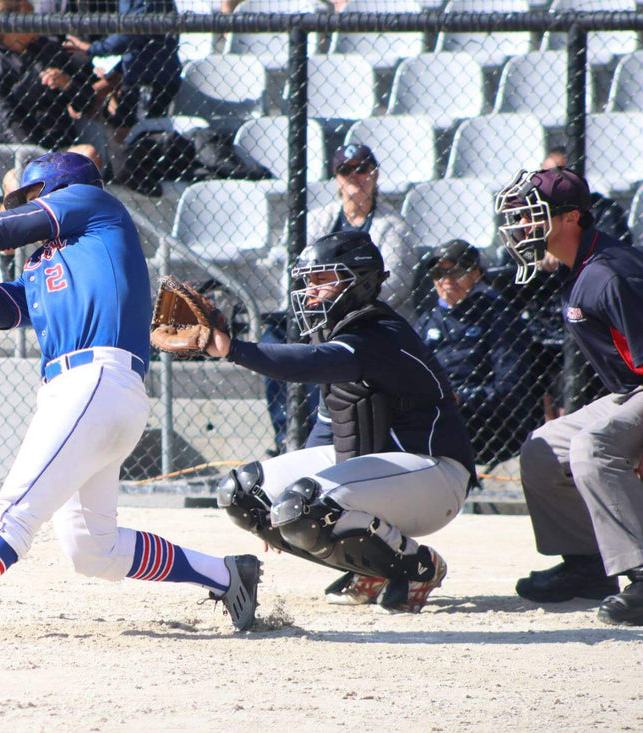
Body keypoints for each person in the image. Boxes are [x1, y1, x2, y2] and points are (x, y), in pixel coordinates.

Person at [0, 152, 261, 640]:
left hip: (94, 384)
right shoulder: (47, 268)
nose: (20, 211)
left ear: (55, 189)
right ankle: (228, 575)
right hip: (95, 397)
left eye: (27, 199)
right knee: (94, 549)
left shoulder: (91, 203)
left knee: (12, 516)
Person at [205, 229, 476, 613]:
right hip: (378, 474)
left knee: (308, 502)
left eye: (322, 280)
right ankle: (376, 568)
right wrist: (277, 512)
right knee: (245, 494)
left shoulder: (381, 333)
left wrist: (234, 349)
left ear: (360, 281)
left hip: (432, 475)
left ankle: (418, 566)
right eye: (308, 281)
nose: (311, 291)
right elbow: (327, 433)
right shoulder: (341, 335)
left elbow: (311, 363)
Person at [495, 166, 643, 626]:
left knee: (592, 446)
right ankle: (587, 567)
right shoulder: (579, 266)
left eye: (532, 215)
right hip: (631, 390)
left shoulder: (610, 274)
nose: (521, 227)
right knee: (545, 447)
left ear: (570, 219)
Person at [414, 239, 541, 467]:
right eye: (438, 272)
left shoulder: (498, 316)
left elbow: (510, 386)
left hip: (484, 422)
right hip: (435, 413)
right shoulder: (426, 322)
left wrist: (463, 398)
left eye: (457, 271)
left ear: (476, 274)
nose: (447, 280)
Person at [0, 0, 105, 179]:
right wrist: (37, 158)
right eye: (29, 18)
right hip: (11, 151)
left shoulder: (50, 50)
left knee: (88, 154)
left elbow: (87, 103)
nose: (37, 21)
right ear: (11, 26)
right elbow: (6, 120)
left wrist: (68, 84)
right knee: (15, 181)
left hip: (58, 144)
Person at [305, 143, 420, 321]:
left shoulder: (395, 225)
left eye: (361, 169)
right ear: (336, 178)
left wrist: (343, 305)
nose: (353, 176)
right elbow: (300, 270)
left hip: (377, 318)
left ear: (375, 176)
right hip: (321, 312)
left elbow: (396, 285)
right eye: (344, 170)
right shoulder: (317, 221)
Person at [62, 0, 182, 140]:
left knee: (146, 136)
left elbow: (131, 34)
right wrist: (117, 72)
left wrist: (89, 48)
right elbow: (135, 46)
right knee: (121, 135)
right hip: (133, 76)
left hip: (155, 78)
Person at [542, 147, 633, 246]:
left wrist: (560, 254)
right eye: (544, 175)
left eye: (555, 176)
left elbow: (614, 250)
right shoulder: (537, 212)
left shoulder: (603, 209)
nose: (548, 182)